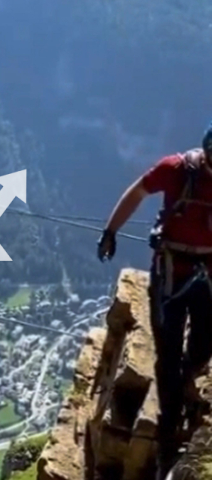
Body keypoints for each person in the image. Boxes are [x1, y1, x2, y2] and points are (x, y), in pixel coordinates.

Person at [97, 122, 212, 479]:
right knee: (168, 353)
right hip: (172, 273)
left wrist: (111, 231)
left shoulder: (178, 171)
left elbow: (136, 193)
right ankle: (166, 432)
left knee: (201, 345)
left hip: (198, 273)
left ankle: (185, 396)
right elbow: (137, 192)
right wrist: (111, 230)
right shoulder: (176, 169)